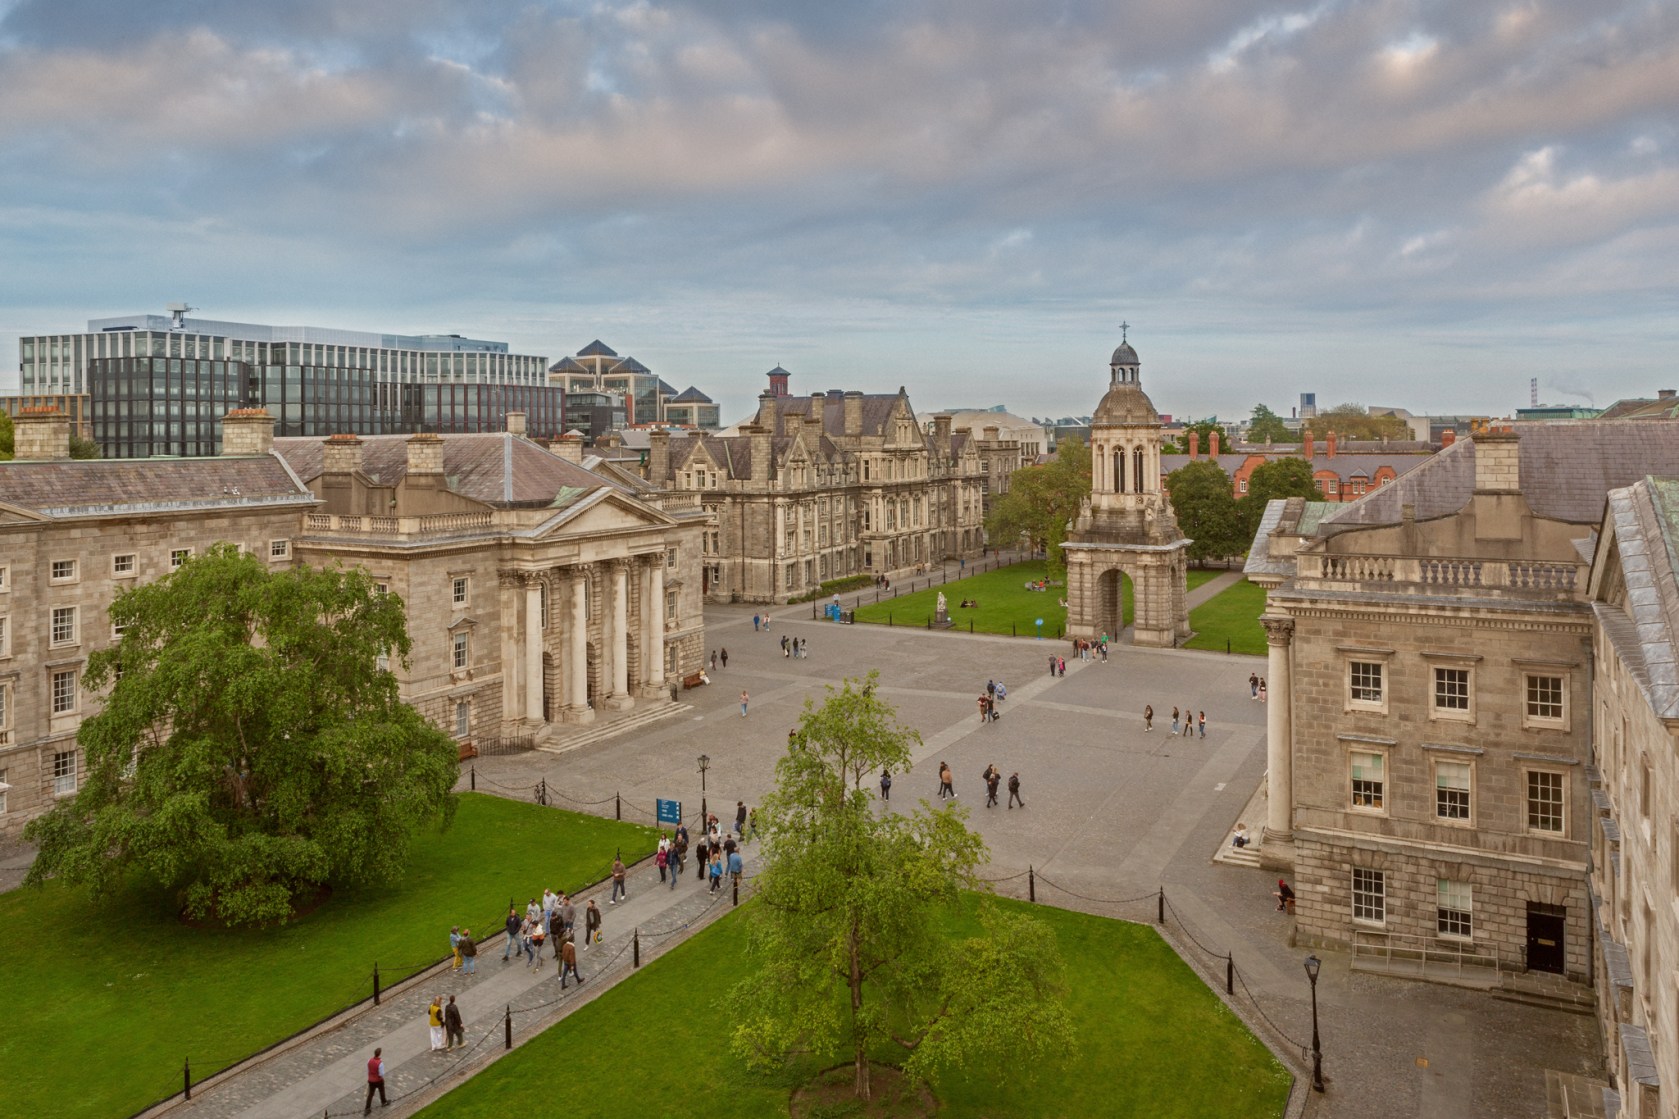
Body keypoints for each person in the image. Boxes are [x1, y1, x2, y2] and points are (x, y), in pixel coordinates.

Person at [364, 1048, 388, 1113]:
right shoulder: (380, 1063)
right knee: (381, 1091)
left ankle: (367, 1108)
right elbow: (381, 1073)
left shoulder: (369, 1060)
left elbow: (368, 1069)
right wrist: (380, 1078)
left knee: (370, 1094)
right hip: (378, 1080)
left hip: (371, 1080)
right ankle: (384, 1102)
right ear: (379, 1054)